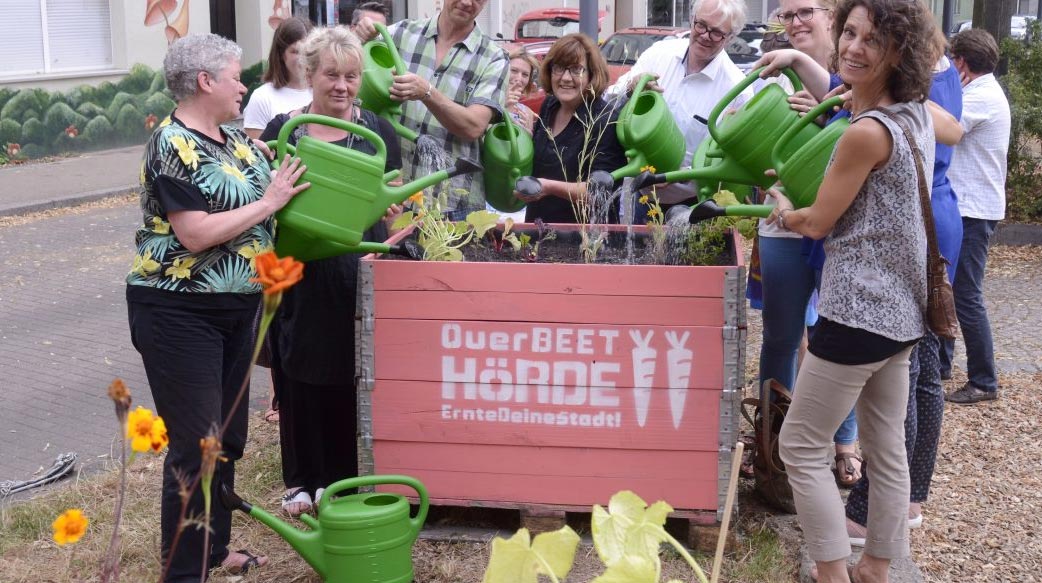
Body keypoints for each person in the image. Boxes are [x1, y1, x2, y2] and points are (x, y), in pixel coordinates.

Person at [758, 0, 939, 578]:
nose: (854, 48)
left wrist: (783, 210)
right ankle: (877, 567)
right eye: (850, 33)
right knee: (886, 449)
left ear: (899, 53)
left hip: (858, 311)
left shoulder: (864, 133)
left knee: (801, 447)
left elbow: (816, 223)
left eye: (874, 41)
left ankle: (834, 572)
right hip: (904, 312)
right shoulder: (914, 115)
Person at [127, 33, 309, 581]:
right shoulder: (172, 144)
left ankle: (211, 552)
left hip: (237, 307)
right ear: (205, 81)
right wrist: (267, 202)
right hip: (178, 310)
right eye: (236, 76)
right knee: (196, 444)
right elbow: (195, 234)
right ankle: (183, 572)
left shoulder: (236, 142)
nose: (244, 85)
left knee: (226, 438)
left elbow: (288, 187)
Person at [259, 25, 402, 518]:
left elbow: (396, 205)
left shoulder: (378, 132)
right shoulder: (285, 128)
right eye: (331, 75)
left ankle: (341, 479)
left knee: (351, 368)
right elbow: (264, 201)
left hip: (356, 269)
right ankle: (302, 480)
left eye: (351, 76)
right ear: (309, 73)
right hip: (296, 267)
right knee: (296, 368)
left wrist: (390, 246)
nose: (341, 85)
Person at [844, 25, 964, 545]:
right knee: (922, 371)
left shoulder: (913, 78)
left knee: (908, 372)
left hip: (919, 218)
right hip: (932, 213)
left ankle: (876, 506)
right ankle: (910, 496)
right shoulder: (936, 62)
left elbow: (951, 130)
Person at [752, 0, 866, 490]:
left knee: (835, 335)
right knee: (780, 335)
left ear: (831, 16)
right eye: (788, 14)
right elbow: (750, 152)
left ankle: (845, 442)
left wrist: (819, 118)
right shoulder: (770, 73)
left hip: (838, 226)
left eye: (806, 12)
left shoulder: (853, 71)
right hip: (781, 224)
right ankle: (771, 441)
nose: (796, 22)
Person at [355, 0, 509, 220]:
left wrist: (427, 92)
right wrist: (361, 36)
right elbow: (347, 69)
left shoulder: (493, 57)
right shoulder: (401, 33)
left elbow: (474, 126)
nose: (467, 2)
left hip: (454, 204)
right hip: (393, 195)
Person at [606, 0, 751, 219]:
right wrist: (630, 88)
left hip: (691, 206)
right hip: (640, 194)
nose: (704, 35)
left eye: (716, 33)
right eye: (700, 25)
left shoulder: (736, 91)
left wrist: (682, 176)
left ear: (730, 38)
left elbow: (727, 160)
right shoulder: (660, 54)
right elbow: (608, 98)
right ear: (692, 21)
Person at [941, 29, 1010, 405]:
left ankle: (984, 380)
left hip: (972, 209)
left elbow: (946, 129)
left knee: (966, 294)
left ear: (961, 63)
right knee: (948, 287)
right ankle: (942, 363)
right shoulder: (980, 92)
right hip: (966, 207)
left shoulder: (980, 97)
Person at [517, 33, 628, 224]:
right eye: (559, 68)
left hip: (585, 238)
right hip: (539, 228)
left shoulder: (605, 120)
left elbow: (599, 193)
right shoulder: (550, 106)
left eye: (577, 70)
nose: (566, 78)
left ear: (592, 74)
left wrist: (548, 187)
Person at [242, 17, 314, 140]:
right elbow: (256, 155)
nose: (303, 58)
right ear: (281, 54)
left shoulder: (324, 92)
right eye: (295, 51)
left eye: (308, 52)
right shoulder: (262, 97)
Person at [506, 47, 539, 135]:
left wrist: (528, 134)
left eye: (525, 74)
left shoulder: (527, 112)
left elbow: (527, 146)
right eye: (513, 71)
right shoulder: (484, 103)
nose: (519, 79)